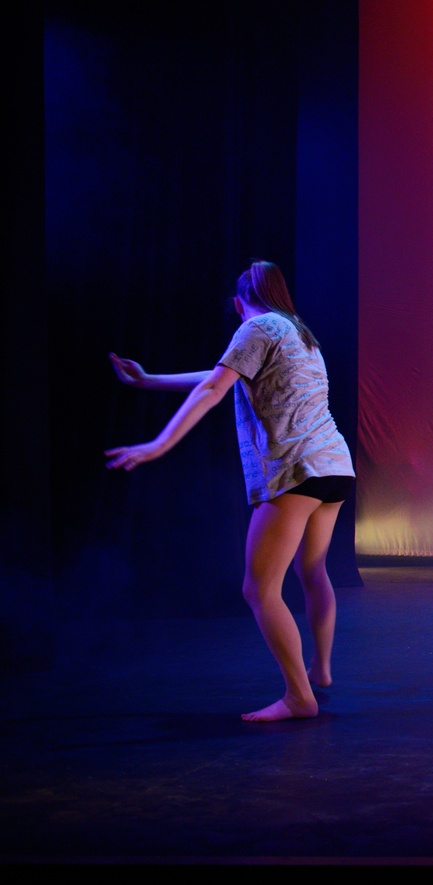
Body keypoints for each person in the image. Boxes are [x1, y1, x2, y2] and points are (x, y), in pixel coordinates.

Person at [106, 260, 355, 722]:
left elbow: (214, 388)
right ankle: (320, 669)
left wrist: (158, 444)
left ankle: (299, 698)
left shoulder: (256, 326)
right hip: (335, 467)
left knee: (259, 588)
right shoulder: (300, 334)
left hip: (296, 470)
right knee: (312, 568)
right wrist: (149, 380)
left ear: (239, 304)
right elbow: (221, 373)